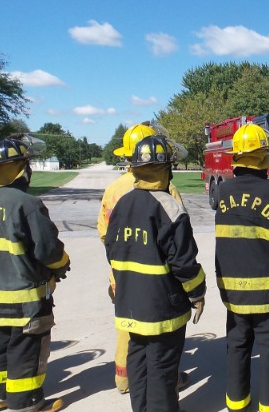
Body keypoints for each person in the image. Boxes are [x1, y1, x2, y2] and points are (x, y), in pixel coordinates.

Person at [105, 135, 206, 412]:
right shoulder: (169, 207)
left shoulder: (122, 204)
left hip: (130, 306)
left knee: (137, 362)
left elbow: (111, 250)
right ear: (166, 169)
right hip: (163, 308)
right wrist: (198, 292)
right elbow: (184, 262)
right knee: (162, 366)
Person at [0, 136, 70, 412]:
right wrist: (62, 263)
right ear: (20, 169)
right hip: (25, 297)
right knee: (27, 348)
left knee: (1, 345)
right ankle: (26, 402)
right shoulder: (27, 204)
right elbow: (49, 250)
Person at [97, 122, 187, 393]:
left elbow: (104, 234)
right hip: (159, 284)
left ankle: (125, 380)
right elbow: (177, 240)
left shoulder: (113, 189)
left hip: (122, 274)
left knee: (128, 330)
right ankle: (164, 385)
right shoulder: (166, 189)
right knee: (160, 340)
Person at [215, 123, 269, 412]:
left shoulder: (222, 193)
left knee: (237, 346)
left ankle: (237, 402)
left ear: (237, 157)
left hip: (233, 291)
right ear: (265, 157)